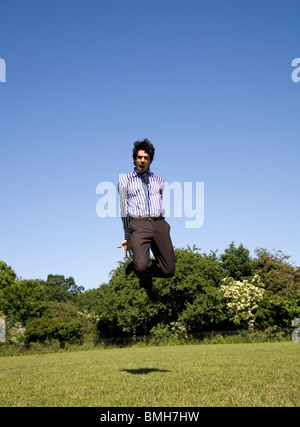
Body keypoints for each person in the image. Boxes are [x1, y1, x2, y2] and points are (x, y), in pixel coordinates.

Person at [117, 139, 175, 302]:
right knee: (142, 266)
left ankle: (137, 266)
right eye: (139, 157)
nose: (142, 161)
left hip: (159, 223)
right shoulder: (124, 181)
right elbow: (123, 211)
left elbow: (162, 201)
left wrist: (163, 225)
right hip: (138, 224)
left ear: (150, 160)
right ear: (135, 158)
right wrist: (127, 236)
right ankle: (144, 278)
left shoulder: (160, 181)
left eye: (146, 158)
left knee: (169, 270)